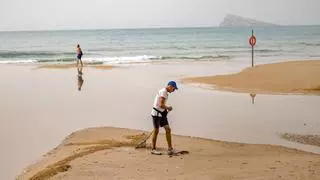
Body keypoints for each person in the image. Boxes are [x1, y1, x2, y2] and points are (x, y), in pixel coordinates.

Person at [151, 81, 178, 155]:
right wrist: (168, 107)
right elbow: (160, 104)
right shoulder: (163, 92)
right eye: (174, 89)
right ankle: (153, 149)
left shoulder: (165, 92)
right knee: (156, 131)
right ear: (170, 86)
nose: (173, 90)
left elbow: (161, 105)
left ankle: (170, 149)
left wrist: (165, 109)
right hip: (156, 114)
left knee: (168, 129)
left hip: (161, 114)